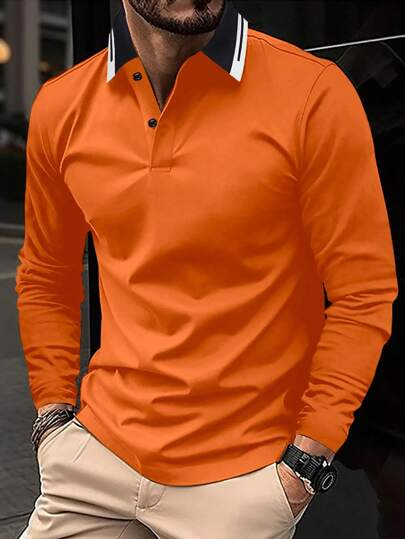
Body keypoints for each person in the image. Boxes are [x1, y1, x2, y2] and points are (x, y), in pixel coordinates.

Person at [16, 0, 398, 537]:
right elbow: (46, 274)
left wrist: (306, 463)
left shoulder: (313, 93)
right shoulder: (63, 105)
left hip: (241, 482)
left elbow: (364, 292)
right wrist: (52, 419)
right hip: (95, 460)